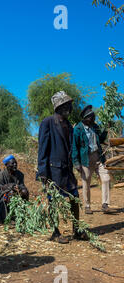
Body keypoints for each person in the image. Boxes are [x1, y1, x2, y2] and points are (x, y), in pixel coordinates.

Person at [37, 91, 88, 244]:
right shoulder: (48, 123)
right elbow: (43, 149)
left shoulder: (68, 126)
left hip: (67, 170)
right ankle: (55, 231)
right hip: (53, 171)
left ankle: (76, 229)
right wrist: (43, 172)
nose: (71, 108)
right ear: (60, 106)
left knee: (74, 198)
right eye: (68, 105)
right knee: (53, 201)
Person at [72, 105, 112, 214]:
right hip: (85, 159)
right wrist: (76, 162)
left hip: (98, 157)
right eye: (90, 117)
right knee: (86, 182)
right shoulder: (78, 129)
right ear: (85, 118)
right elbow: (74, 146)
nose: (93, 119)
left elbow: (101, 138)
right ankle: (87, 206)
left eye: (93, 117)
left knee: (106, 178)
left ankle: (105, 204)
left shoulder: (95, 127)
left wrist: (106, 129)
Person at [0, 155, 29, 223]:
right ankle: (9, 216)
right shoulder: (1, 175)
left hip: (16, 192)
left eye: (16, 163)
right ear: (7, 165)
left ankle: (22, 213)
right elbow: (1, 189)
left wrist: (19, 188)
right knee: (11, 194)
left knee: (25, 192)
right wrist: (12, 187)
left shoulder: (20, 174)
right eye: (12, 163)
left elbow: (22, 185)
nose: (15, 165)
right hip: (3, 197)